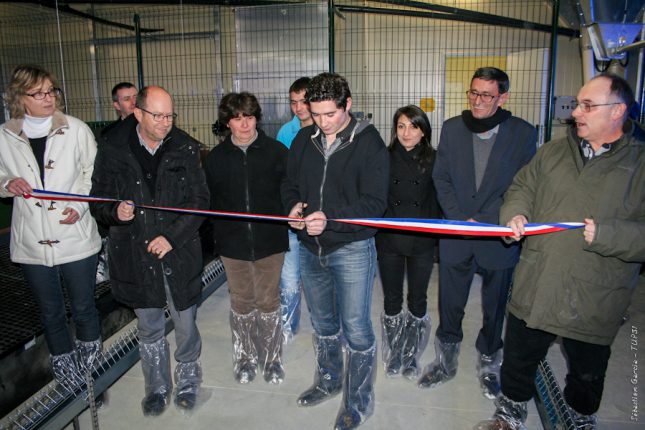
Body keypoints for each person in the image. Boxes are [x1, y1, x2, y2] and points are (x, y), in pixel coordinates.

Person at [479, 73, 645, 430]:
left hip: (595, 292)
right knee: (519, 359)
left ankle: (580, 418)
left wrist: (608, 234)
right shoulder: (554, 151)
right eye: (577, 103)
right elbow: (522, 187)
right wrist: (515, 214)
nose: (575, 113)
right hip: (539, 281)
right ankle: (509, 413)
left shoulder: (640, 164)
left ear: (617, 111)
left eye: (588, 105)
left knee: (587, 371)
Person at [90, 86, 209, 416]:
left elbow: (200, 202)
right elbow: (97, 199)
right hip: (135, 253)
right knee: (149, 323)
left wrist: (171, 237)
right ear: (137, 114)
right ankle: (156, 385)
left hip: (178, 250)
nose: (166, 122)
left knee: (185, 319)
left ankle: (188, 377)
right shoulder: (113, 149)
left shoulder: (185, 146)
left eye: (170, 114)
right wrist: (115, 211)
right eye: (158, 115)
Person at [420, 67, 536, 398]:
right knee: (450, 299)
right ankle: (446, 360)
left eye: (486, 95)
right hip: (457, 231)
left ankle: (489, 362)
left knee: (495, 302)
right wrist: (459, 217)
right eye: (473, 92)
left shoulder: (522, 134)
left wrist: (489, 218)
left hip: (499, 233)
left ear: (503, 97)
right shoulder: (453, 128)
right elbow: (440, 177)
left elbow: (526, 184)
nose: (478, 101)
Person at [282, 72, 388, 430]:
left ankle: (356, 402)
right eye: (316, 114)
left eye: (331, 114)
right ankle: (329, 380)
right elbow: (289, 184)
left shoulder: (369, 143)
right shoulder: (302, 139)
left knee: (356, 326)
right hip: (311, 248)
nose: (324, 123)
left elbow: (375, 204)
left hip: (352, 247)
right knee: (323, 322)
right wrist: (294, 207)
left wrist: (330, 219)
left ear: (348, 105)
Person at [0, 64, 102, 391]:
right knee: (51, 313)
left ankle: (90, 375)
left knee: (84, 307)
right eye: (39, 93)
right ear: (20, 98)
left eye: (51, 91)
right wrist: (7, 183)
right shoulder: (4, 135)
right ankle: (67, 377)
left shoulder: (75, 129)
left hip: (74, 235)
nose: (48, 98)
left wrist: (80, 204)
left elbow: (93, 174)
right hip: (32, 240)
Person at [204, 91, 288, 385]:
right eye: (237, 119)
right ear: (227, 122)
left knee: (268, 300)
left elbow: (289, 192)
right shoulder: (216, 159)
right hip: (233, 243)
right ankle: (244, 358)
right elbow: (208, 201)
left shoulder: (276, 152)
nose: (244, 124)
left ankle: (272, 359)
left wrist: (295, 210)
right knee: (241, 301)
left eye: (249, 117)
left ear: (257, 118)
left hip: (270, 241)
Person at [376, 105, 440, 380]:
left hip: (422, 241)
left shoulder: (436, 159)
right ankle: (393, 351)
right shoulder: (383, 158)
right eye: (401, 126)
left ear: (423, 130)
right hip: (389, 239)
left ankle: (411, 353)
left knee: (417, 298)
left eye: (413, 126)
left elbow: (441, 200)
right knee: (391, 298)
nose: (406, 132)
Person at [276, 76, 313, 345]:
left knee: (317, 277)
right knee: (288, 277)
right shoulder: (284, 133)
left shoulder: (326, 130)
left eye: (304, 101)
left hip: (317, 217)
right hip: (290, 214)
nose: (299, 108)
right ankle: (288, 325)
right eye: (294, 102)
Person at [95, 82, 138, 283]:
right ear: (116, 105)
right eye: (126, 98)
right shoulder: (108, 135)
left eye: (135, 97)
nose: (133, 102)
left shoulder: (150, 131)